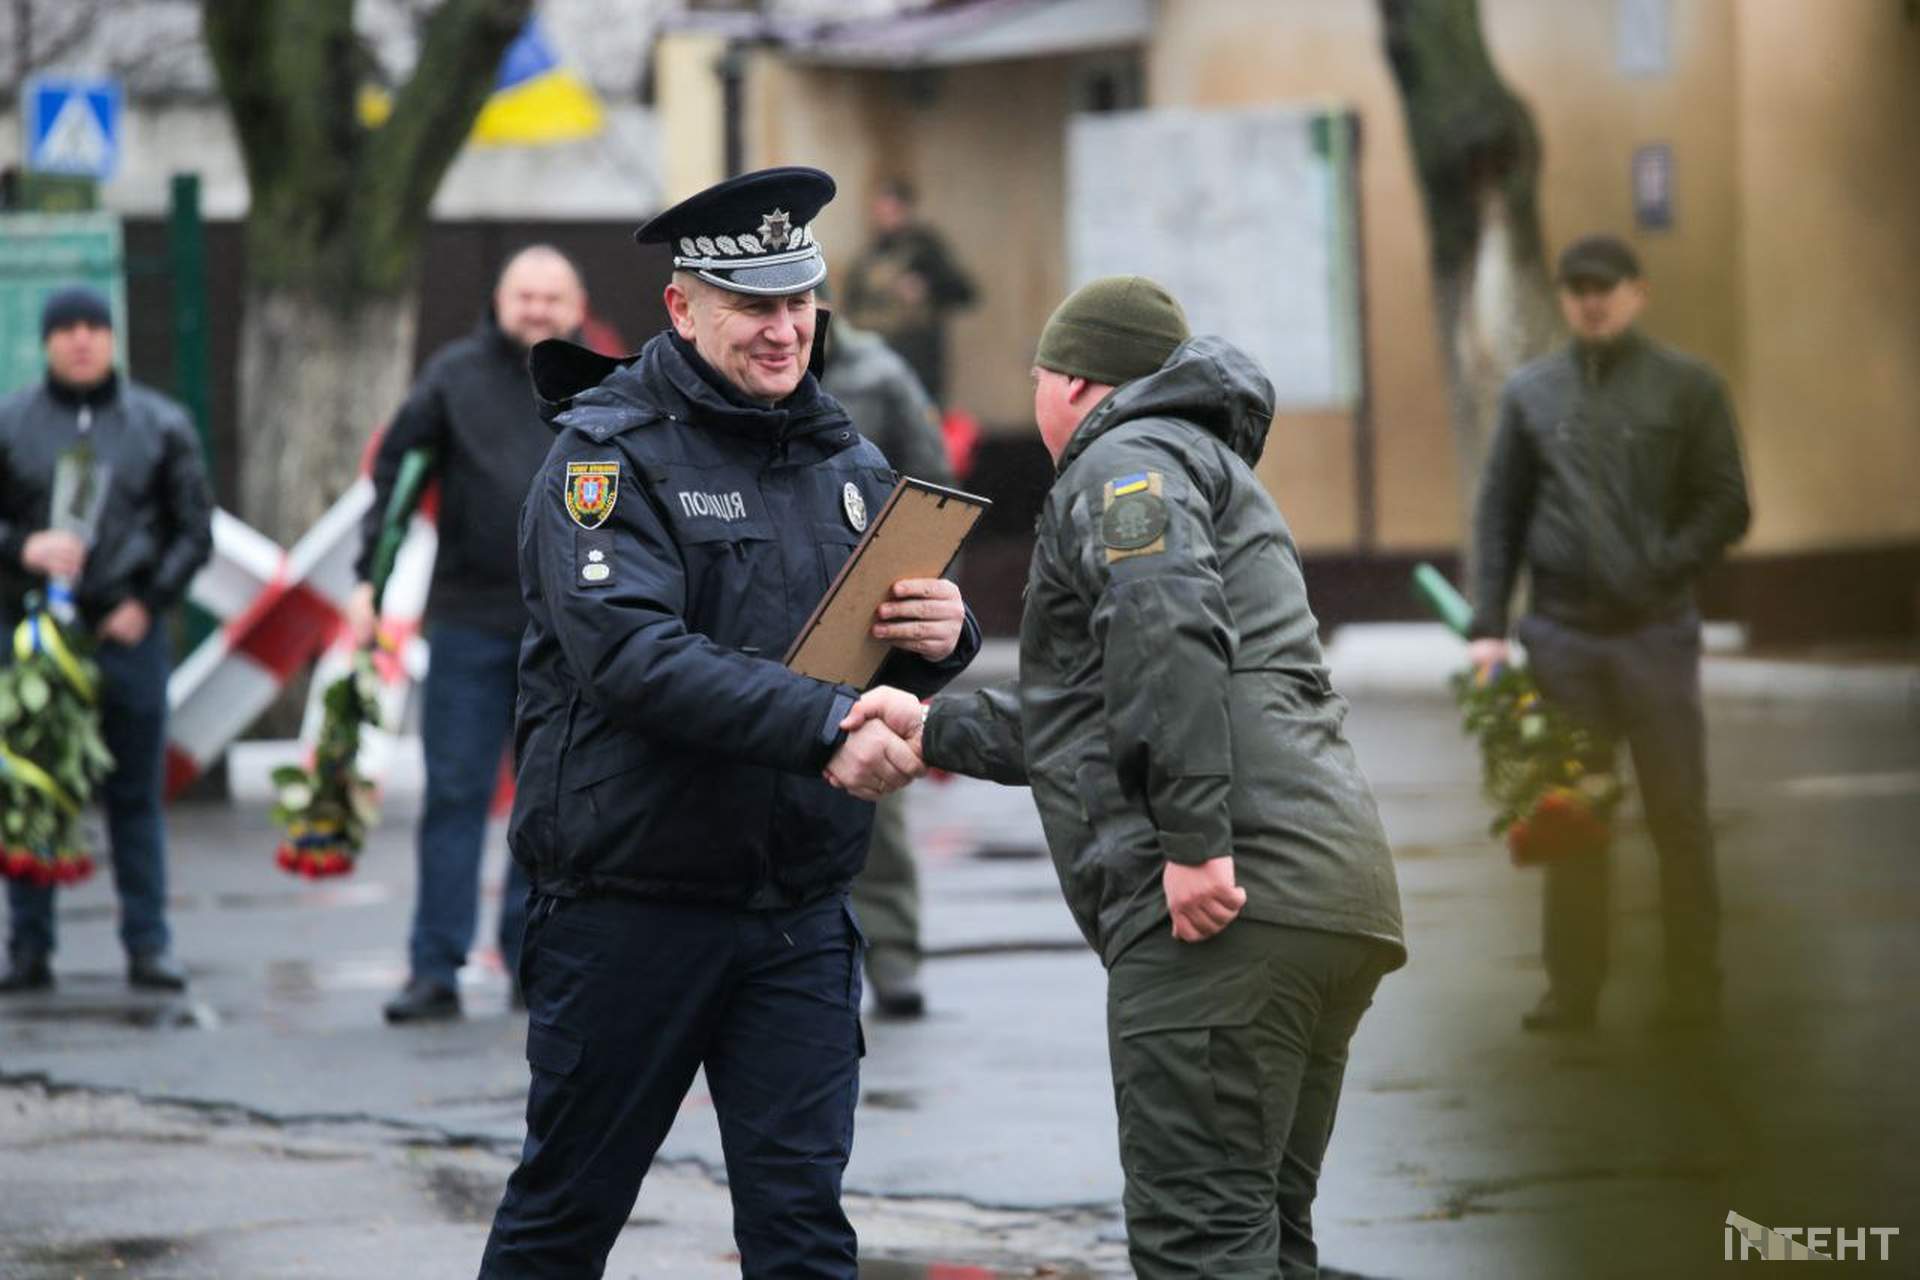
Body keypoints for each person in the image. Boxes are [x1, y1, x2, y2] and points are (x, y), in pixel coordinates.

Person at [845, 277, 1406, 1279]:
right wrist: (933, 725)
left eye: (1036, 378)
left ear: (1072, 379)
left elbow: (1167, 628)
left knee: (1200, 1247)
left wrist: (1194, 843)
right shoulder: (1202, 461)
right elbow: (1103, 706)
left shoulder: (1127, 460)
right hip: (1325, 898)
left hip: (1224, 913)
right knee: (1266, 1238)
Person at [478, 166, 980, 1277]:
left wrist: (946, 634)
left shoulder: (843, 458)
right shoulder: (604, 459)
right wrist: (829, 722)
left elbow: (871, 640)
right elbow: (635, 658)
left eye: (801, 300)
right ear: (683, 307)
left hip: (795, 912)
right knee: (566, 1215)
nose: (785, 328)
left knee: (802, 1232)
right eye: (755, 305)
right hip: (631, 908)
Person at [1467, 234, 1750, 1033]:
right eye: (1578, 287)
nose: (1592, 299)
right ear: (1564, 298)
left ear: (1638, 292)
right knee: (1570, 820)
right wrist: (1489, 627)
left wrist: (1663, 560)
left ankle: (1694, 989)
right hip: (1563, 638)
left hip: (1654, 634)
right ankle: (1573, 989)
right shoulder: (1531, 397)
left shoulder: (1687, 389)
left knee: (1677, 818)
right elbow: (1500, 518)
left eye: (1607, 286)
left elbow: (1727, 503)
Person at [350, 245, 589, 1025]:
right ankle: (434, 967)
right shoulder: (451, 375)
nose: (539, 310)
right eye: (526, 295)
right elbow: (393, 474)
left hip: (569, 630)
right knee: (454, 795)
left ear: (576, 306)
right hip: (467, 623)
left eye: (553, 297)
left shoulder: (601, 380)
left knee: (549, 802)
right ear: (499, 300)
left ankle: (534, 962)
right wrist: (368, 578)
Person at [0, 286, 213, 994]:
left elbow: (194, 531)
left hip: (126, 637)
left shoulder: (160, 424)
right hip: (32, 642)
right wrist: (23, 548)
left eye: (94, 326)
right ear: (46, 341)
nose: (81, 339)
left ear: (113, 336)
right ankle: (28, 948)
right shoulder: (11, 422)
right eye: (66, 328)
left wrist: (148, 603)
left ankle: (148, 945)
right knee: (32, 791)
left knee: (135, 795)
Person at [820, 314, 954, 1018]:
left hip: (863, 616)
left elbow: (932, 483)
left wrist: (917, 590)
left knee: (879, 796)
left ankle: (895, 956)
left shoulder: (879, 372)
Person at [842, 177, 975, 405]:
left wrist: (926, 288)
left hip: (918, 361)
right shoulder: (869, 254)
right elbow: (851, 304)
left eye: (890, 208)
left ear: (904, 209)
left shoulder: (925, 249)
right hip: (875, 358)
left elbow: (964, 292)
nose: (884, 215)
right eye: (879, 209)